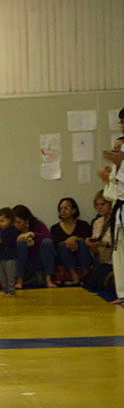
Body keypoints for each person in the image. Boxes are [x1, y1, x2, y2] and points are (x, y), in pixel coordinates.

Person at [100, 124, 124, 304]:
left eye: (119, 149)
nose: (116, 152)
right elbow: (110, 194)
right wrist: (108, 179)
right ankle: (122, 294)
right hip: (120, 210)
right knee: (119, 253)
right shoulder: (117, 167)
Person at [50, 197, 93, 285]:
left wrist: (75, 238)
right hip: (64, 258)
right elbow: (55, 245)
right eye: (61, 209)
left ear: (73, 210)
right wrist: (69, 241)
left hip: (82, 256)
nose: (63, 211)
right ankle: (74, 275)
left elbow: (88, 238)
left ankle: (85, 272)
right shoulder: (55, 228)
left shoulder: (83, 225)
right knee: (62, 245)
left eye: (66, 208)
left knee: (82, 243)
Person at [11, 204, 56, 289]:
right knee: (20, 244)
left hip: (39, 260)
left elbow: (49, 236)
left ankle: (49, 279)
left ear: (26, 221)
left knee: (47, 242)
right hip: (23, 262)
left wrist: (33, 234)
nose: (16, 225)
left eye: (18, 222)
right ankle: (19, 280)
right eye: (14, 222)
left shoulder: (37, 224)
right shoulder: (12, 229)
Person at [84, 191, 114, 292]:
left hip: (116, 261)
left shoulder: (117, 221)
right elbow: (96, 251)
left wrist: (104, 244)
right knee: (90, 282)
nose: (99, 207)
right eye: (97, 205)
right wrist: (92, 245)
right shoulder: (97, 222)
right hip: (103, 261)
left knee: (106, 285)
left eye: (102, 204)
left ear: (110, 205)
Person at [0, 208, 18, 296]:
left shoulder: (13, 230)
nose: (0, 224)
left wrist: (2, 241)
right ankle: (5, 289)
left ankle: (11, 291)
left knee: (10, 275)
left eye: (2, 221)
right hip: (0, 257)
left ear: (9, 220)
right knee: (1, 275)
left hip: (10, 257)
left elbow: (12, 241)